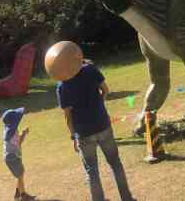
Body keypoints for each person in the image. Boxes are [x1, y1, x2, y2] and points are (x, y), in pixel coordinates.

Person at [57, 58, 135, 201]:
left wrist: (73, 137)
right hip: (103, 125)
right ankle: (127, 198)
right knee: (115, 163)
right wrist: (100, 103)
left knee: (91, 171)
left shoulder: (62, 85)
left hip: (83, 133)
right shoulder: (91, 70)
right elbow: (105, 89)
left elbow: (68, 116)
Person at [1, 108, 36, 201]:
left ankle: (17, 194)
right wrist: (24, 134)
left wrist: (22, 133)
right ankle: (23, 196)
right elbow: (19, 142)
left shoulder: (8, 130)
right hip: (13, 157)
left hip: (11, 157)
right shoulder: (12, 133)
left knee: (20, 174)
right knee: (20, 175)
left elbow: (16, 142)